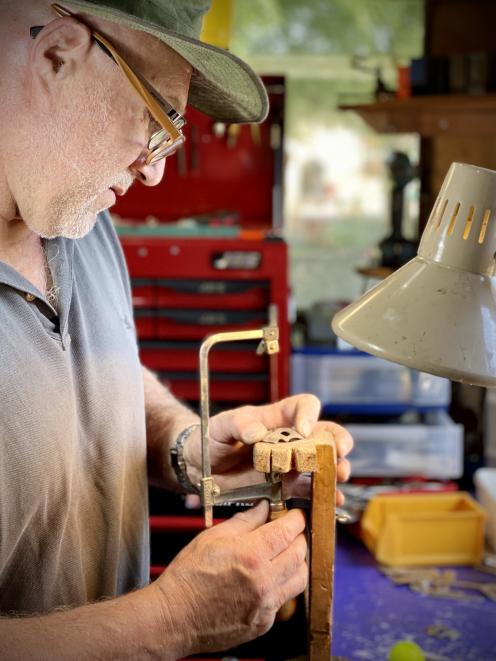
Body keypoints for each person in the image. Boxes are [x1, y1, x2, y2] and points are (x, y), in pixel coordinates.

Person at [0, 0, 353, 658]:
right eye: (154, 115)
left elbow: (90, 370)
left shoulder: (83, 222)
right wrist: (170, 621)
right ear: (59, 53)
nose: (156, 168)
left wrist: (188, 447)